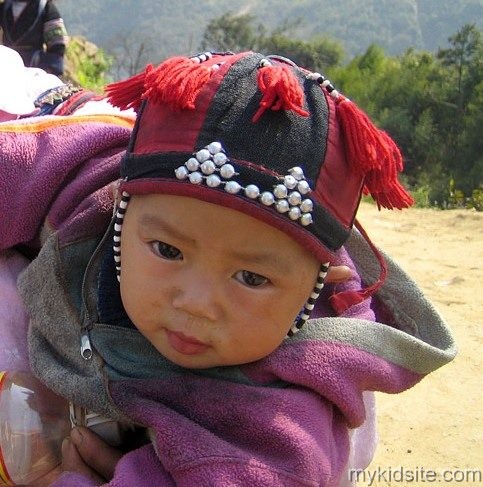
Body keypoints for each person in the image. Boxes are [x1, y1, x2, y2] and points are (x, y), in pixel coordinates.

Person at [0, 51, 456, 486]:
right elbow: (30, 161)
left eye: (252, 279)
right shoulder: (98, 183)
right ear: (123, 203)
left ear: (321, 287)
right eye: (167, 250)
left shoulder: (278, 415)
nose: (196, 303)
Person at [0, 0, 68, 76]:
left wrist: (50, 68)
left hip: (33, 67)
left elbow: (57, 43)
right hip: (6, 64)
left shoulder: (45, 7)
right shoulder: (4, 7)